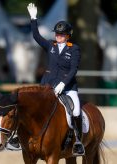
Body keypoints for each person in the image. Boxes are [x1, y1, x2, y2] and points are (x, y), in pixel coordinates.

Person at [27, 3, 84, 156]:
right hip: (47, 86)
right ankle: (24, 137)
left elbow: (73, 70)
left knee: (76, 111)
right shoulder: (50, 46)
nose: (58, 37)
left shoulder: (74, 49)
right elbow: (36, 36)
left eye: (62, 35)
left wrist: (63, 84)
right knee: (33, 108)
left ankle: (78, 141)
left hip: (68, 88)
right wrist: (33, 18)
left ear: (68, 35)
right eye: (57, 34)